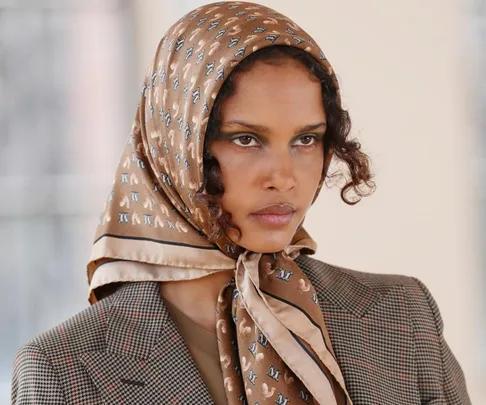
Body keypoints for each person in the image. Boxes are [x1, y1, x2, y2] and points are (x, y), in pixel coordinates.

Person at [11, 1, 470, 404]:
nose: (283, 177)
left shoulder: (402, 318)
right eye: (246, 139)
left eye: (306, 139)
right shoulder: (65, 370)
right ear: (175, 146)